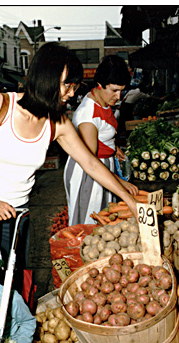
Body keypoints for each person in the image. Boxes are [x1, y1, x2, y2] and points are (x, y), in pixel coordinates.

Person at [0, 43, 138, 263]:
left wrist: (129, 200)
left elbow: (91, 163)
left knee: (12, 282)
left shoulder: (58, 123)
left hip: (16, 214)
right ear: (45, 78)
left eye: (74, 87)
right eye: (66, 85)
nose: (71, 94)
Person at [64, 55, 139, 225]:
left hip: (103, 168)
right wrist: (120, 183)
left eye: (122, 90)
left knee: (106, 219)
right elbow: (89, 161)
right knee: (90, 223)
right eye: (114, 90)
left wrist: (112, 148)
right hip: (89, 174)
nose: (119, 96)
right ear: (99, 85)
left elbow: (102, 133)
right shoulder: (88, 115)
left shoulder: (102, 101)